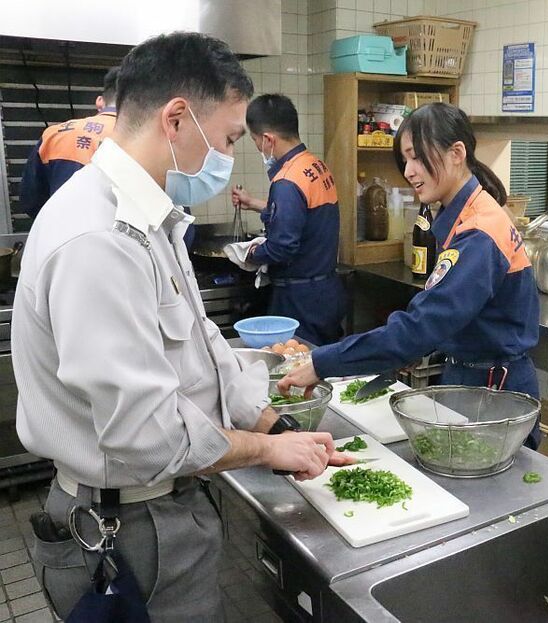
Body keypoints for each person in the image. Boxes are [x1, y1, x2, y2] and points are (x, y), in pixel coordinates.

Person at [13, 32, 349, 622]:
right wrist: (269, 449)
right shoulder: (99, 238)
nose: (224, 158)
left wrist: (275, 423)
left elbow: (205, 345)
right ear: (175, 120)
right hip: (127, 528)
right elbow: (149, 437)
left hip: (161, 510)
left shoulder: (151, 221)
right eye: (225, 139)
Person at [279, 103, 542, 447]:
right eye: (405, 160)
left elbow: (422, 325)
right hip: (471, 379)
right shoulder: (463, 216)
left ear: (456, 153)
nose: (410, 171)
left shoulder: (479, 233)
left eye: (418, 158)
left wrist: (322, 361)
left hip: (493, 393)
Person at [231, 94, 346, 345]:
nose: (258, 148)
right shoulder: (316, 166)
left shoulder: (287, 180)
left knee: (296, 369)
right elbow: (307, 217)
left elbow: (282, 246)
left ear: (268, 139)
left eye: (255, 141)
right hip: (326, 291)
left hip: (299, 299)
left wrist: (248, 255)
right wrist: (253, 203)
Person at [18, 66, 120, 219]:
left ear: (100, 100)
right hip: (118, 238)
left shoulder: (54, 134)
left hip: (59, 235)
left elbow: (30, 201)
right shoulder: (140, 140)